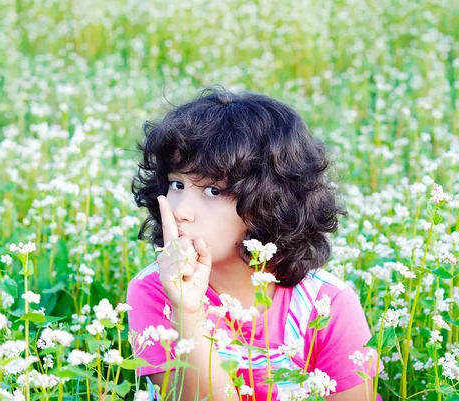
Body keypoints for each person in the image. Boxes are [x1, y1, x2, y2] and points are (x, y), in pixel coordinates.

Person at [126, 87, 384, 401]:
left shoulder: (326, 305)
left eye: (213, 191)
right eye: (177, 184)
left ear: (269, 203)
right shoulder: (156, 291)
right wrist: (188, 314)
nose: (180, 211)